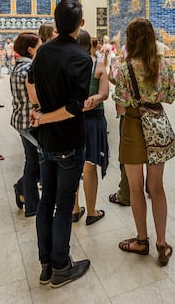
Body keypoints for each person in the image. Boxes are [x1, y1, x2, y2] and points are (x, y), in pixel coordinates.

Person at [29, 0, 92, 288]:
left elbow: (33, 87)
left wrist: (39, 113)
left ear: (55, 23)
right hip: (67, 140)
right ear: (80, 24)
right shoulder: (81, 57)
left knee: (46, 202)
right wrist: (43, 118)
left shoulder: (41, 53)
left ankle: (46, 264)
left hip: (46, 143)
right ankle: (61, 265)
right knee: (64, 206)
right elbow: (72, 108)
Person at [114, 18, 175, 266]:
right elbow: (171, 97)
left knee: (136, 187)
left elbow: (120, 105)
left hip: (132, 125)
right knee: (157, 188)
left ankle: (142, 240)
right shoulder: (164, 65)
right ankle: (162, 244)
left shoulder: (125, 68)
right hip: (157, 124)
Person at [70, 29, 109, 226]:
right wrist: (95, 98)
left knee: (74, 163)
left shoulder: (67, 66)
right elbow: (105, 94)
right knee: (90, 164)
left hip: (71, 119)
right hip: (93, 119)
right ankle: (92, 211)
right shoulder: (98, 66)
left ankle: (75, 209)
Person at [10, 32, 42, 217]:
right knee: (40, 160)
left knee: (32, 161)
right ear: (30, 49)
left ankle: (28, 199)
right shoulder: (28, 69)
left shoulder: (18, 67)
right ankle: (30, 200)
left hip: (20, 120)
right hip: (29, 121)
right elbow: (35, 98)